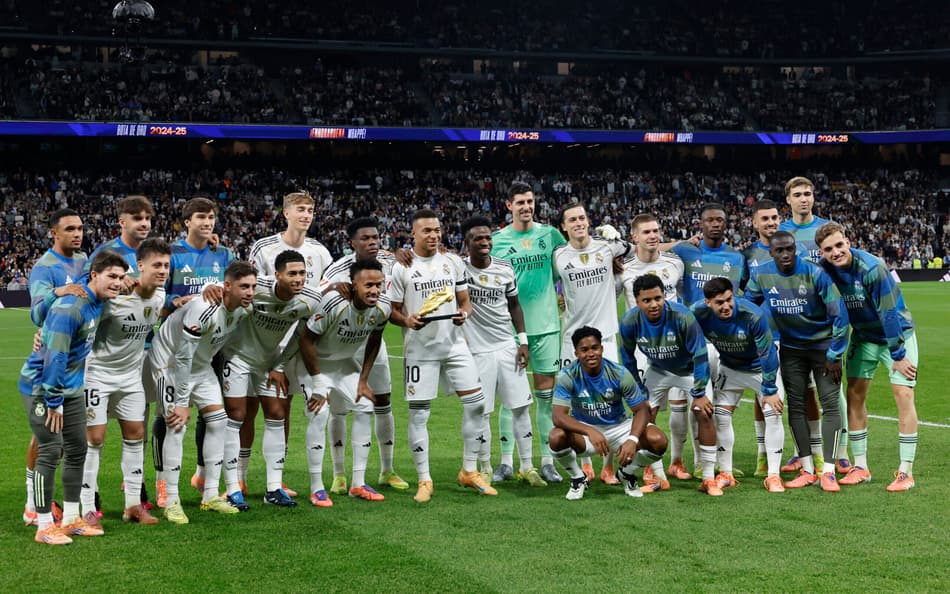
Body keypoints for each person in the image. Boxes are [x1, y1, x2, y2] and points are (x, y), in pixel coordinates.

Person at [19, 250, 127, 544]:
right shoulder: (71, 308)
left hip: (72, 388)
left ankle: (70, 519)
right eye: (112, 277)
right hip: (43, 387)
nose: (117, 283)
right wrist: (53, 401)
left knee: (78, 448)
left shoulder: (98, 303)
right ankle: (43, 525)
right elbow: (55, 357)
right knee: (51, 450)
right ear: (94, 275)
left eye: (121, 277)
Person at [388, 208, 493, 502]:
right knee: (419, 414)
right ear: (413, 234)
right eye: (426, 231)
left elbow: (465, 301)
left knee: (476, 404)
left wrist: (464, 314)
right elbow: (393, 311)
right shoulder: (402, 268)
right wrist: (406, 321)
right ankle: (424, 479)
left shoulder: (453, 262)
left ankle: (469, 470)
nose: (433, 235)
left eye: (436, 230)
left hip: (455, 345)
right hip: (420, 350)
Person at [145, 260, 255, 523]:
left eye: (252, 286)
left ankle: (210, 494)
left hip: (201, 366)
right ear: (227, 286)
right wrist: (182, 402)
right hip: (169, 365)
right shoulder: (206, 309)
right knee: (176, 425)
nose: (250, 292)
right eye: (244, 287)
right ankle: (171, 500)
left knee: (218, 422)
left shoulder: (241, 309)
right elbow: (183, 357)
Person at [816, 223, 919, 491]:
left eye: (839, 245)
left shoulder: (872, 269)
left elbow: (889, 313)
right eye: (829, 249)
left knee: (903, 395)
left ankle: (905, 471)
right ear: (822, 252)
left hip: (897, 336)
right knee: (855, 395)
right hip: (864, 337)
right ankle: (861, 467)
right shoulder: (823, 269)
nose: (836, 252)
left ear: (848, 242)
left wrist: (898, 353)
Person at [218, 250, 322, 510]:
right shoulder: (258, 287)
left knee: (277, 412)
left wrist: (279, 366)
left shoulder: (310, 300)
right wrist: (210, 286)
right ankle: (233, 487)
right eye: (292, 274)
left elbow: (300, 336)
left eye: (302, 273)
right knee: (237, 414)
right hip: (237, 357)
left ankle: (274, 487)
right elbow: (226, 287)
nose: (299, 279)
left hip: (269, 362)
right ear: (277, 275)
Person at [745, 231, 849, 492]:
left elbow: (840, 315)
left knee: (830, 405)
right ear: (771, 252)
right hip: (791, 349)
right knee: (797, 407)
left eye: (789, 249)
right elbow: (747, 304)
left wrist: (835, 355)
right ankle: (806, 469)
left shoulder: (815, 274)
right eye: (779, 251)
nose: (785, 254)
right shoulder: (761, 274)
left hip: (824, 349)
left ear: (795, 249)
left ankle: (828, 471)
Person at [246, 190, 333, 497]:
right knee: (258, 408)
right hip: (267, 339)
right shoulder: (265, 248)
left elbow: (327, 290)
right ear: (286, 213)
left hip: (303, 338)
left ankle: (277, 477)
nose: (306, 215)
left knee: (287, 405)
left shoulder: (320, 251)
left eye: (310, 210)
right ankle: (246, 475)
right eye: (300, 209)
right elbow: (251, 290)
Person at [80, 239, 170, 528]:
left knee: (135, 435)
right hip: (98, 374)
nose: (163, 270)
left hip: (131, 377)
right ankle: (87, 509)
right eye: (157, 265)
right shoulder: (114, 297)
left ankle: (133, 505)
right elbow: (82, 318)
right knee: (94, 440)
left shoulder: (159, 297)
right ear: (140, 265)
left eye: (167, 265)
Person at [153, 197, 234, 507]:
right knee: (167, 416)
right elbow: (157, 295)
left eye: (211, 217)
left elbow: (234, 286)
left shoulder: (222, 253)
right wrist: (176, 301)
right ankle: (162, 482)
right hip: (175, 347)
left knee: (212, 415)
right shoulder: (172, 254)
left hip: (211, 347)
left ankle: (203, 476)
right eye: (200, 217)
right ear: (186, 221)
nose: (207, 222)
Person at [320, 217, 407, 493]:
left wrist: (407, 253)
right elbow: (319, 295)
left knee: (382, 402)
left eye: (375, 237)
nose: (372, 242)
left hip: (373, 341)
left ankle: (387, 469)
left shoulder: (389, 261)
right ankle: (339, 474)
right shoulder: (337, 269)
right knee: (340, 408)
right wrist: (333, 288)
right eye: (366, 238)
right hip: (342, 347)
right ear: (352, 243)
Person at [298, 259, 393, 507]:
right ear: (353, 285)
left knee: (364, 406)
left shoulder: (383, 306)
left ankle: (357, 484)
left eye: (378, 284)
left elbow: (375, 340)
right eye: (368, 285)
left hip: (345, 364)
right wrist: (318, 382)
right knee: (320, 414)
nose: (374, 290)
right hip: (316, 365)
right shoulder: (334, 303)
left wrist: (363, 380)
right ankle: (316, 487)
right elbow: (306, 341)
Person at [82, 194, 156, 510]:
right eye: (137, 218)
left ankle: (134, 491)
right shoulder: (105, 254)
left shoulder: (156, 252)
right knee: (95, 433)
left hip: (144, 349)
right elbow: (89, 294)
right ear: (122, 222)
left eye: (148, 219)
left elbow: (163, 289)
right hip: (104, 355)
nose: (144, 224)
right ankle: (90, 495)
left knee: (137, 424)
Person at [490, 181, 567, 484]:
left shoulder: (550, 235)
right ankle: (507, 463)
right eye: (520, 202)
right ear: (509, 205)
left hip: (547, 327)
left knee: (546, 399)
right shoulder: (497, 240)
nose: (526, 207)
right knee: (512, 399)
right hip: (512, 332)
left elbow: (566, 268)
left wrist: (560, 293)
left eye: (530, 202)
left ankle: (547, 461)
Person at [461, 216, 546, 487]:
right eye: (478, 238)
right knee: (481, 412)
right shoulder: (457, 270)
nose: (485, 242)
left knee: (521, 407)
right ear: (467, 243)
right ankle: (485, 467)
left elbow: (515, 306)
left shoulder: (505, 268)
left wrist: (522, 341)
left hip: (507, 346)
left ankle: (527, 466)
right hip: (477, 351)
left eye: (488, 238)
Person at [619, 274, 721, 495]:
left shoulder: (683, 316)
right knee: (644, 414)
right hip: (658, 370)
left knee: (704, 413)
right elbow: (627, 358)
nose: (654, 304)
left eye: (658, 298)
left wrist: (700, 392)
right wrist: (637, 389)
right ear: (637, 302)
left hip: (690, 370)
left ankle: (708, 478)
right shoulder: (629, 321)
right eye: (647, 300)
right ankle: (658, 477)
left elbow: (700, 354)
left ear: (664, 296)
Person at [669, 203, 745, 479]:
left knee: (717, 407)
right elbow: (653, 248)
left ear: (726, 224)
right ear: (701, 224)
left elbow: (737, 297)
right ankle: (687, 460)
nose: (715, 224)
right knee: (690, 403)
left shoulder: (736, 258)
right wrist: (678, 241)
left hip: (722, 342)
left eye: (720, 220)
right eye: (710, 220)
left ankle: (715, 462)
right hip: (690, 340)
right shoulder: (685, 251)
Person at [22, 208, 88, 527]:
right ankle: (31, 502)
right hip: (50, 357)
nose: (78, 234)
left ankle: (62, 507)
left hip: (74, 358)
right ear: (54, 233)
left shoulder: (84, 260)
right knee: (47, 440)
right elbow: (36, 315)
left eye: (80, 228)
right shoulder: (44, 268)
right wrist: (57, 293)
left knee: (67, 442)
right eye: (70, 229)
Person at [744, 199, 819, 477]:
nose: (771, 222)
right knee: (761, 395)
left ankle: (814, 453)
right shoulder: (748, 255)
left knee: (808, 394)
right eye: (764, 219)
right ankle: (763, 455)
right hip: (766, 337)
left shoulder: (793, 247)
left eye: (775, 217)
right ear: (755, 223)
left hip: (799, 337)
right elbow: (746, 298)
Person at [779, 176, 850, 472]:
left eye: (808, 193)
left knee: (834, 392)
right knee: (802, 393)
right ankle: (802, 451)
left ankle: (841, 451)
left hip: (826, 325)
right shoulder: (781, 233)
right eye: (798, 194)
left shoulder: (824, 229)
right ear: (788, 200)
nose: (804, 199)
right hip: (794, 325)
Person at [549, 326, 668, 500]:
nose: (591, 353)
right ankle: (578, 478)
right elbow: (558, 416)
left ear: (602, 349)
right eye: (584, 350)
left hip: (619, 426)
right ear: (576, 353)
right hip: (585, 432)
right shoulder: (567, 375)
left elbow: (642, 410)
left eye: (595, 348)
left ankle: (627, 473)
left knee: (658, 441)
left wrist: (632, 439)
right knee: (556, 437)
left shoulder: (619, 373)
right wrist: (589, 431)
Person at [691, 277, 786, 493]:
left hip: (759, 369)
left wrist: (770, 390)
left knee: (773, 412)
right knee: (721, 416)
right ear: (708, 303)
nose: (726, 306)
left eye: (729, 300)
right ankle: (726, 472)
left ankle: (773, 475)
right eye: (719, 302)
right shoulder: (697, 312)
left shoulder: (753, 315)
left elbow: (768, 353)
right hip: (730, 368)